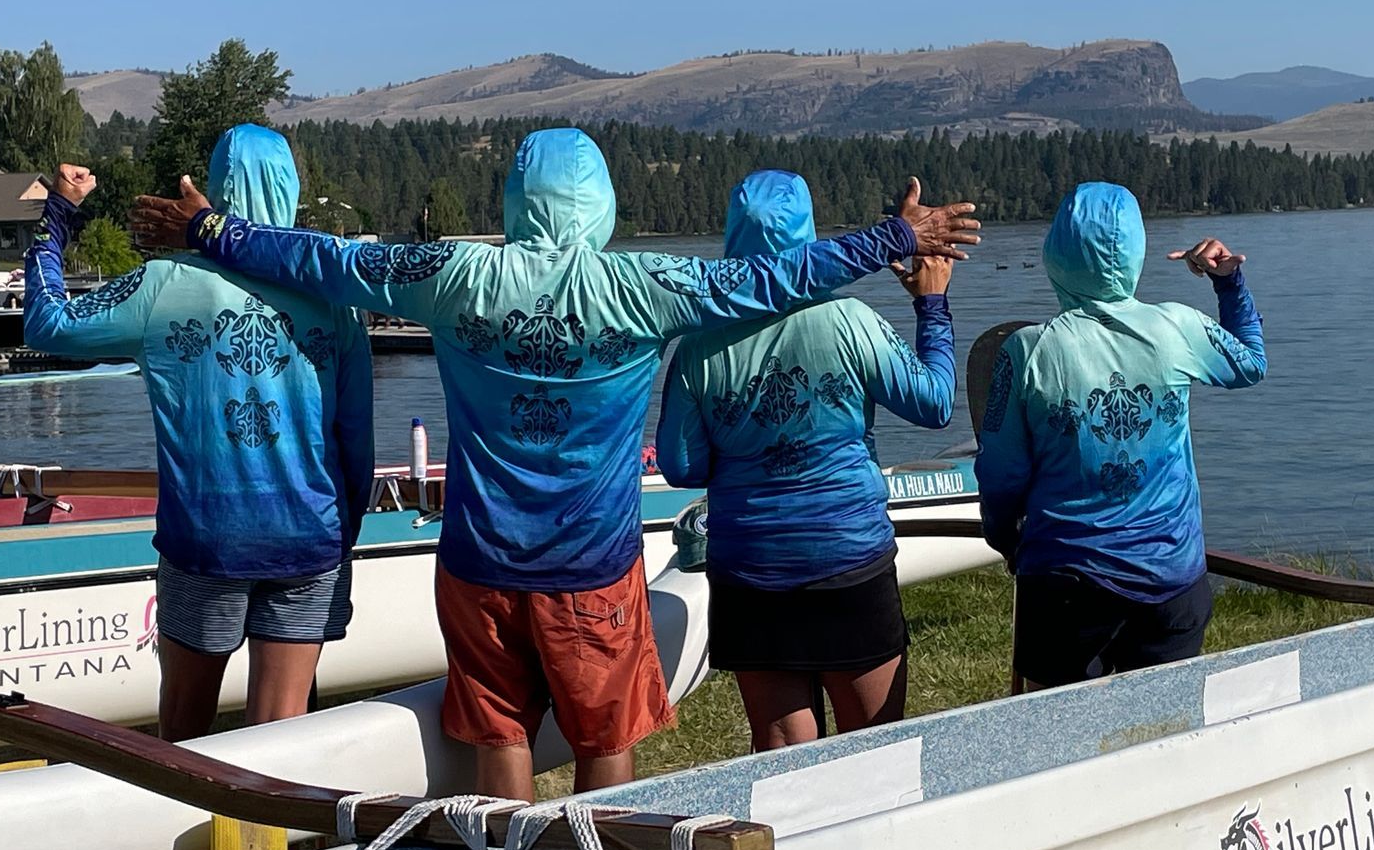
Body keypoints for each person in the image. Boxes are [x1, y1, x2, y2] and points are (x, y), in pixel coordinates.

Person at [131, 128, 979, 796]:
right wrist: (890, 238)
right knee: (603, 743)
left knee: (501, 744)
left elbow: (324, 261)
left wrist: (212, 228)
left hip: (479, 567)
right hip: (591, 575)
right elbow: (766, 281)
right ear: (601, 203)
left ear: (513, 197)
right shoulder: (639, 287)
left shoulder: (454, 273)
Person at [26, 125, 374, 738]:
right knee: (283, 742)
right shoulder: (333, 294)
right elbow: (356, 436)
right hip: (309, 539)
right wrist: (340, 537)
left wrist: (58, 216)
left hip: (207, 539)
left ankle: (183, 830)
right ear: (289, 186)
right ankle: (275, 835)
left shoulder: (164, 284)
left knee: (185, 737)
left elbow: (47, 324)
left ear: (214, 189)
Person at [656, 170, 957, 750]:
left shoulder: (696, 346)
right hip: (849, 559)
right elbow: (936, 403)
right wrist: (932, 305)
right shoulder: (850, 322)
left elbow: (683, 467)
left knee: (782, 773)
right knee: (875, 758)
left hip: (750, 574)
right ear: (810, 235)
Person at [975, 181, 1265, 688]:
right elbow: (1251, 363)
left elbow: (1001, 472)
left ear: (1056, 252)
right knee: (1161, 738)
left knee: (1057, 742)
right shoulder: (1177, 328)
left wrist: (1005, 539)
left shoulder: (1027, 351)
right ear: (1136, 251)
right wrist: (1228, 282)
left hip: (1063, 581)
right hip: (1170, 578)